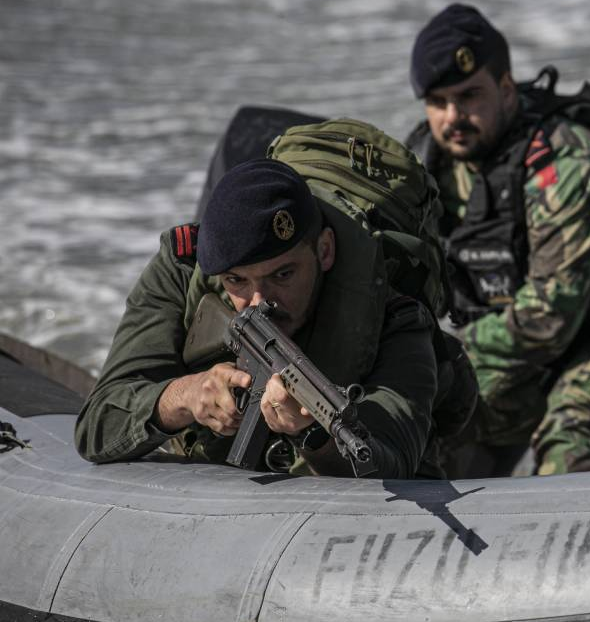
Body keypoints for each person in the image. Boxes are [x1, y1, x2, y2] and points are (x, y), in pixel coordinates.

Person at [406, 3, 590, 477]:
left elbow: (550, 316)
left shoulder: (567, 163)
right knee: (413, 429)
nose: (454, 117)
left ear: (506, 90)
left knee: (568, 448)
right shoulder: (428, 166)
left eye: (469, 96)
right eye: (439, 102)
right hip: (509, 346)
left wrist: (445, 352)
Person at [76, 159, 441, 478]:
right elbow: (96, 427)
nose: (259, 301)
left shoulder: (392, 313)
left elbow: (394, 464)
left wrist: (311, 434)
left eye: (283, 275)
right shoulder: (182, 271)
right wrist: (186, 396)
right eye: (236, 280)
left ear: (324, 250)